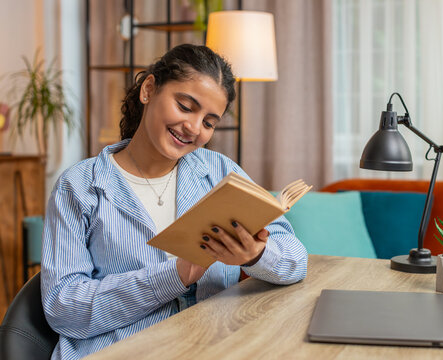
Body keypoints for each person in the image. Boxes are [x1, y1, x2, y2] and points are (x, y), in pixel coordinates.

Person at [41, 44, 308, 360]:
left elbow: (296, 261)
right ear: (149, 90)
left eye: (209, 122)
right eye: (185, 106)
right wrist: (175, 275)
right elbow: (63, 307)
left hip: (216, 347)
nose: (194, 128)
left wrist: (256, 255)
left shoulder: (221, 172)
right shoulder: (79, 187)